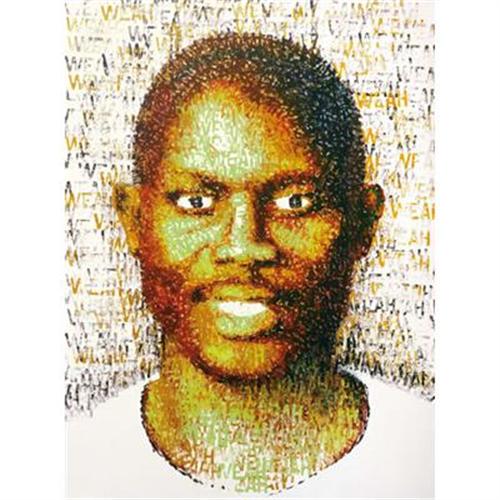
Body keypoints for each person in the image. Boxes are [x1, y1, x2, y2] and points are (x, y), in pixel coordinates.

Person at [67, 33, 433, 497]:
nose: (245, 247)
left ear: (362, 222)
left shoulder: (437, 458)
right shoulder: (69, 467)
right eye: (197, 202)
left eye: (296, 202)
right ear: (135, 220)